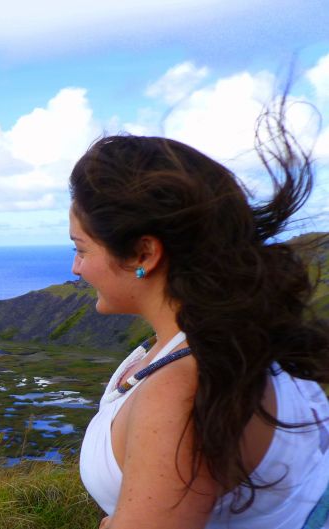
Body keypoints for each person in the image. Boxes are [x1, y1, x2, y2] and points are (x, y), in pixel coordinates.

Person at [72, 96, 329, 529]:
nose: (75, 268)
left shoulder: (177, 392)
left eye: (81, 249)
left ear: (144, 253)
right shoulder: (237, 336)